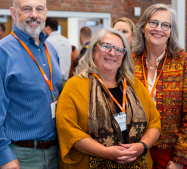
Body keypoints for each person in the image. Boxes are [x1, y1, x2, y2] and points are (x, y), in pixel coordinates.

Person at [56, 27, 161, 169]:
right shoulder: (74, 86)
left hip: (137, 163)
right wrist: (105, 152)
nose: (112, 53)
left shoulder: (134, 85)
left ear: (124, 56)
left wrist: (142, 146)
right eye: (106, 46)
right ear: (93, 50)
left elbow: (154, 122)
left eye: (119, 49)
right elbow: (67, 130)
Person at [132, 3, 187, 169]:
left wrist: (180, 158)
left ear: (171, 32)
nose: (159, 29)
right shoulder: (129, 61)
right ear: (143, 28)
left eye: (165, 25)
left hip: (169, 153)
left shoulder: (185, 63)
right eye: (153, 23)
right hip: (133, 147)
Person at [0, 0, 62, 168]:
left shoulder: (51, 50)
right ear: (13, 13)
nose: (34, 14)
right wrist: (4, 156)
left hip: (54, 153)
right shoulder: (2, 52)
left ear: (45, 13)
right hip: (20, 156)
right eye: (26, 9)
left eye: (39, 9)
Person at [43, 17, 72, 84]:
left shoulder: (47, 42)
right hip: (66, 81)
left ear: (48, 28)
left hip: (53, 81)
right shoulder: (67, 41)